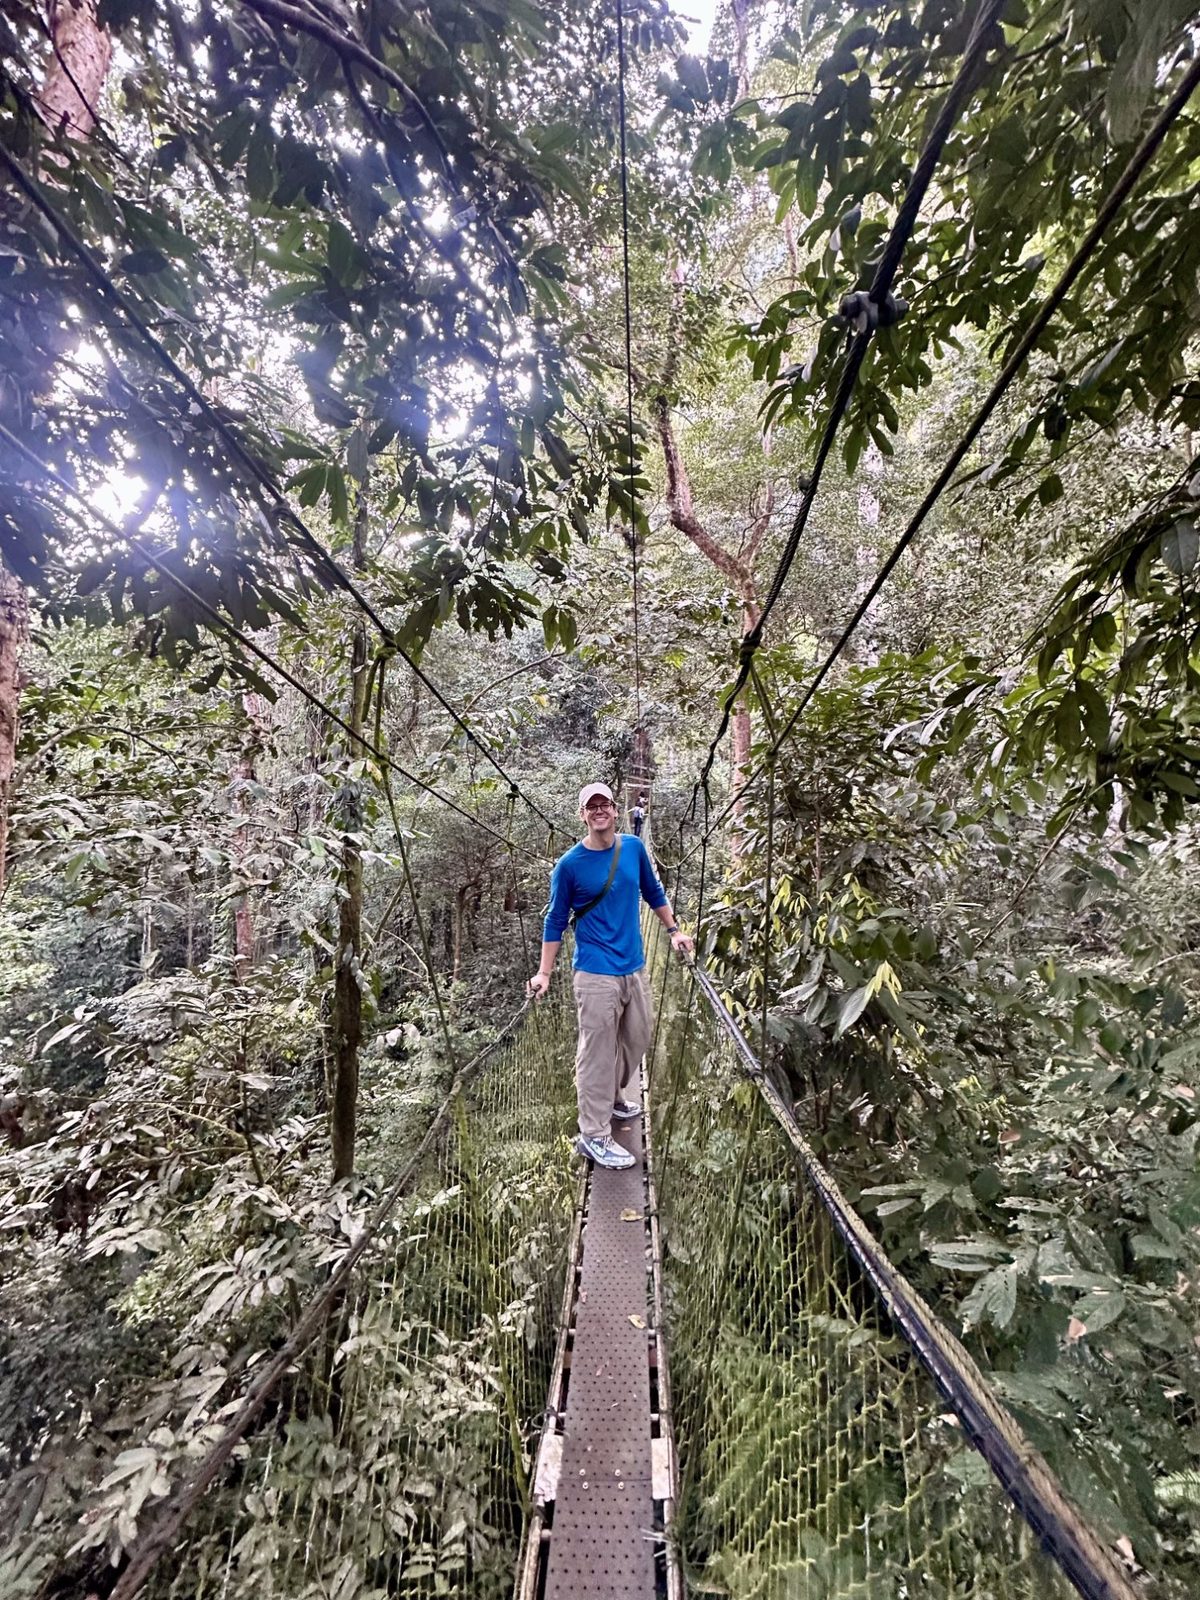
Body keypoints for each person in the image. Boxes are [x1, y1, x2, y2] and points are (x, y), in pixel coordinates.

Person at [529, 782, 694, 1169]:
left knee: (638, 1036)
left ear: (616, 811)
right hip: (594, 972)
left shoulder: (633, 849)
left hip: (634, 966)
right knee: (597, 1054)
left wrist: (673, 930)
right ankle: (594, 1135)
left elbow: (653, 891)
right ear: (582, 814)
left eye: (605, 804)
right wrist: (544, 973)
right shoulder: (569, 866)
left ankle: (613, 1098)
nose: (599, 810)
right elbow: (554, 921)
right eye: (592, 806)